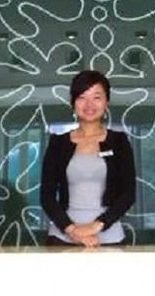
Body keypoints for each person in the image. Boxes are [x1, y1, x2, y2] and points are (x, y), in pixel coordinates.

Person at [41, 70, 136, 247]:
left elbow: (128, 194)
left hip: (109, 237)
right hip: (62, 237)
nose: (89, 104)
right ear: (73, 103)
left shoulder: (119, 142)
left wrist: (95, 227)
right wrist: (73, 230)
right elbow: (46, 196)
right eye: (82, 97)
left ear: (106, 102)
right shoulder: (58, 143)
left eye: (96, 97)